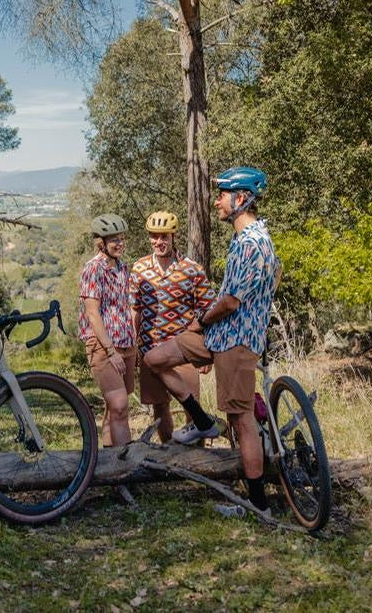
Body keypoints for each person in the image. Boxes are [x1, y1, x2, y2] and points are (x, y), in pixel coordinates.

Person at [144, 167, 281, 511]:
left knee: (242, 420)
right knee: (155, 359)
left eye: (222, 195)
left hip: (236, 341)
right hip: (218, 335)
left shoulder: (253, 243)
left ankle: (258, 505)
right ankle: (202, 421)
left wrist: (199, 320)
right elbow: (269, 277)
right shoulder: (243, 239)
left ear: (241, 198)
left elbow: (230, 302)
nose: (216, 201)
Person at [130, 211, 215, 443]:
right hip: (149, 347)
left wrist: (206, 351)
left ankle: (197, 456)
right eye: (154, 236)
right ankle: (170, 452)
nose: (159, 242)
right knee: (159, 405)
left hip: (183, 349)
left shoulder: (192, 269)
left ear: (173, 236)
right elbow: (134, 309)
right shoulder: (139, 269)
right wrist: (133, 346)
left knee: (192, 404)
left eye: (164, 237)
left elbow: (209, 309)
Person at [78, 214, 136, 447]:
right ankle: (126, 467)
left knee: (114, 407)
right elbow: (93, 314)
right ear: (101, 242)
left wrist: (134, 344)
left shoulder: (123, 268)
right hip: (104, 345)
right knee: (120, 405)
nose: (120, 243)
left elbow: (126, 306)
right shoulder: (93, 269)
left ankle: (110, 464)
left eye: (122, 239)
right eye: (114, 240)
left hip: (126, 343)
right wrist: (110, 351)